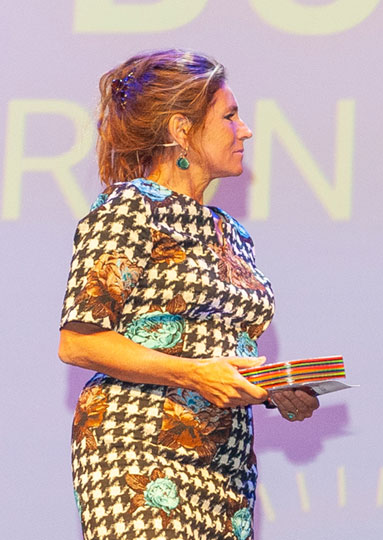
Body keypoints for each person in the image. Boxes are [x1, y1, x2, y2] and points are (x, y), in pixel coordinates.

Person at [58, 49, 317, 540]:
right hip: (140, 452)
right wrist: (194, 374)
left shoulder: (232, 232)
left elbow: (211, 347)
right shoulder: (130, 208)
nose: (245, 130)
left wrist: (271, 387)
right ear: (182, 130)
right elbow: (78, 341)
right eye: (230, 116)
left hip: (225, 466)